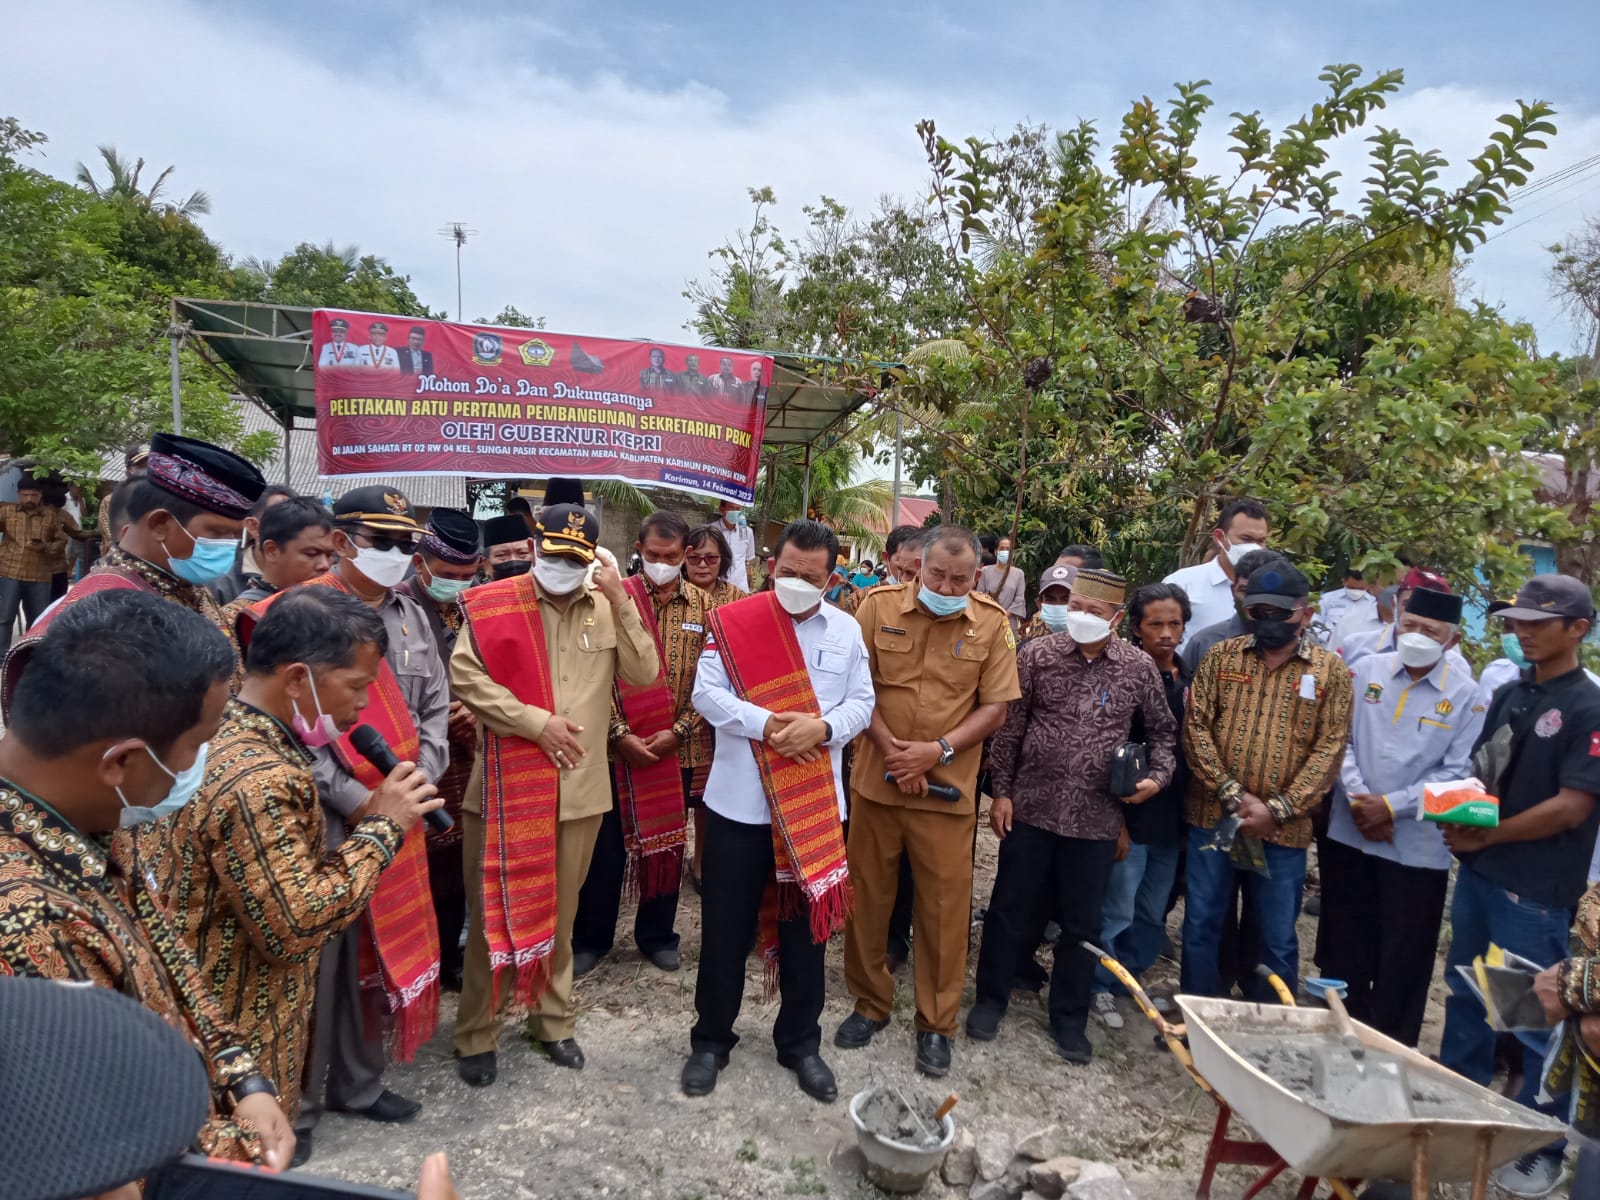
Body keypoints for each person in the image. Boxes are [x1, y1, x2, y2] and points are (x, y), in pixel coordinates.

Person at [0, 591, 294, 1167]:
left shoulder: (93, 819)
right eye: (196, 747)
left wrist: (242, 1078)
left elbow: (168, 958)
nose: (197, 766)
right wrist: (244, 1152)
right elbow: (103, 1131)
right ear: (120, 761)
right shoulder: (29, 921)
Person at [152, 588, 442, 1148]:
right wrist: (384, 826)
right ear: (296, 679)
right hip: (238, 1032)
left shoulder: (224, 733)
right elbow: (299, 924)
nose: (364, 705)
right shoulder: (261, 780)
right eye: (357, 686)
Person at [451, 503, 658, 1088]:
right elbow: (465, 675)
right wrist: (533, 723)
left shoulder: (606, 604)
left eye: (575, 559)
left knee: (560, 916)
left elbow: (644, 674)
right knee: (491, 915)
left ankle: (552, 1021)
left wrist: (620, 596)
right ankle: (477, 1033)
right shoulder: (496, 603)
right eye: (553, 554)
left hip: (578, 790)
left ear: (591, 559)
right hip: (502, 789)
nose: (562, 567)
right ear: (535, 547)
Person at [272, 486, 449, 1144]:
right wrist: (359, 800)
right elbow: (287, 724)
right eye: (384, 542)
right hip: (323, 812)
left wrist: (419, 777)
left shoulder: (412, 613)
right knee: (319, 964)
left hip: (402, 804)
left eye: (406, 543)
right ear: (343, 542)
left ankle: (359, 1082)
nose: (398, 554)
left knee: (374, 956)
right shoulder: (301, 612)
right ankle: (296, 1106)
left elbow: (435, 704)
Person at [681, 520, 874, 1101]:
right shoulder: (734, 622)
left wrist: (823, 728)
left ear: (831, 580)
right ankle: (710, 1042)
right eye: (787, 572)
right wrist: (767, 725)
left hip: (813, 808)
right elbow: (706, 694)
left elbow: (863, 703)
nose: (795, 582)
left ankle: (800, 1045)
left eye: (809, 578)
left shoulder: (846, 629)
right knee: (724, 931)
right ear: (771, 567)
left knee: (805, 936)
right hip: (737, 807)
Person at [968, 570, 1176, 1063]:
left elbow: (1163, 735)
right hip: (1030, 809)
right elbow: (1010, 730)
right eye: (1076, 607)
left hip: (1095, 819)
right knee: (1008, 910)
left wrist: (1156, 779)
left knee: (1082, 924)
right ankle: (990, 1000)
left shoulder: (1137, 668)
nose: (1080, 616)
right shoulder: (1037, 655)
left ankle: (1068, 1018)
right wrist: (1002, 793)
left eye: (1093, 611)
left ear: (1116, 619)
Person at [837, 526, 1021, 1078]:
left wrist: (934, 753)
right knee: (868, 897)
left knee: (944, 910)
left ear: (977, 576)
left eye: (960, 579)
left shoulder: (993, 623)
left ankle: (936, 1024)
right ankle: (870, 1003)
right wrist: (896, 753)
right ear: (919, 566)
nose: (946, 586)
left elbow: (995, 709)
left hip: (947, 791)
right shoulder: (876, 607)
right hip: (878, 780)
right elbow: (856, 688)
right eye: (936, 574)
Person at [1440, 575, 1600, 1198]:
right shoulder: (1511, 692)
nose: (1522, 632)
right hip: (1483, 876)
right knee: (1467, 995)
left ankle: (1542, 1145)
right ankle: (1457, 1110)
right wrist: (1459, 819)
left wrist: (1489, 837)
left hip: (1532, 890)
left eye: (1538, 623)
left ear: (1578, 629)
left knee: (1534, 1017)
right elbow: (1483, 778)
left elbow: (1571, 808)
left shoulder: (1588, 706)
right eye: (1517, 622)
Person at [1319, 587, 1484, 1048]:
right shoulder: (1364, 671)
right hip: (1349, 830)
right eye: (1410, 625)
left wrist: (1390, 806)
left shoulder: (1467, 696)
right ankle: (1339, 1031)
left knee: (1404, 952)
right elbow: (1340, 739)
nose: (1417, 636)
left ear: (1451, 640)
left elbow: (1457, 773)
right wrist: (1360, 799)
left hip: (1415, 846)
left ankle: (1392, 1046)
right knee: (1345, 938)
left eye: (1430, 631)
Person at [1181, 561, 1353, 1001]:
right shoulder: (1221, 657)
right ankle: (1198, 1014)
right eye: (1258, 612)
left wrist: (1276, 810)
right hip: (1213, 817)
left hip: (1283, 830)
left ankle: (1271, 1021)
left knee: (1276, 937)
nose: (1269, 621)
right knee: (1201, 924)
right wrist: (1231, 792)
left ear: (1306, 614)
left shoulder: (1330, 672)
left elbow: (1330, 749)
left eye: (1280, 614)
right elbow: (1196, 727)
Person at [574, 511, 712, 975]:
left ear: (686, 554)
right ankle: (591, 937)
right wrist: (619, 734)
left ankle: (656, 935)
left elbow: (714, 682)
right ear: (638, 549)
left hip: (679, 748)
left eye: (671, 557)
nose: (661, 563)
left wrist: (681, 731)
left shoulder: (706, 608)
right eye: (653, 554)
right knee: (605, 851)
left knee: (667, 844)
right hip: (616, 749)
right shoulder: (609, 599)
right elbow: (592, 676)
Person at [14, 434, 267, 685]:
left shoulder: (183, 583)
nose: (228, 545)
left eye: (236, 535)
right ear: (159, 524)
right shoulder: (97, 623)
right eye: (218, 532)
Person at [1089, 582, 1193, 1027]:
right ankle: (1099, 985)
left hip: (1172, 819)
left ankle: (1128, 978)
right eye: (1156, 624)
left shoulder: (1190, 679)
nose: (1166, 633)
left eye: (1175, 624)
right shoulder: (1123, 678)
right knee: (1117, 909)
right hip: (1131, 817)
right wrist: (1117, 823)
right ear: (1136, 628)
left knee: (1152, 911)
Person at [400, 507, 485, 993]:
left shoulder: (475, 605)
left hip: (467, 753)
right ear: (421, 564)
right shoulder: (396, 607)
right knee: (418, 866)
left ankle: (449, 959)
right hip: (412, 755)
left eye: (468, 575)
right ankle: (415, 964)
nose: (459, 584)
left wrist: (477, 709)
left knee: (455, 861)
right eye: (450, 574)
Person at [1163, 498, 1271, 652]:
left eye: (1260, 541)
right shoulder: (1182, 584)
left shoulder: (1272, 589)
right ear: (1220, 537)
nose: (1253, 547)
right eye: (1246, 539)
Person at [224, 495, 337, 615]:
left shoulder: (337, 607)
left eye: (330, 555)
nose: (325, 565)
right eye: (311, 554)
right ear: (271, 550)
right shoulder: (239, 617)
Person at [1179, 548, 1287, 674]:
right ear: (1232, 590)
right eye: (1245, 591)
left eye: (1263, 592)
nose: (1253, 600)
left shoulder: (1301, 646)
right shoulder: (1204, 643)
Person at [0, 478, 68, 652]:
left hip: (39, 575)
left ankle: (31, 656)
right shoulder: (7, 512)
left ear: (40, 495)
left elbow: (61, 541)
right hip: (10, 571)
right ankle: (1, 657)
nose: (29, 499)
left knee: (38, 619)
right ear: (18, 495)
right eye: (25, 495)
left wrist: (46, 547)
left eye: (33, 495)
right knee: (5, 618)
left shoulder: (50, 516)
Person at [211, 484, 297, 605]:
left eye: (299, 522)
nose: (294, 530)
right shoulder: (220, 583)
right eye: (282, 520)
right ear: (253, 526)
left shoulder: (313, 575)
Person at [685, 521, 745, 607]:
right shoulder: (669, 596)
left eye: (711, 558)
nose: (702, 565)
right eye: (694, 558)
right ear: (683, 560)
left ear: (722, 559)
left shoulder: (737, 598)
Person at [977, 533, 1027, 634]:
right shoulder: (985, 571)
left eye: (1008, 549)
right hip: (988, 622)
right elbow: (979, 595)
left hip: (1009, 624)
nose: (1005, 551)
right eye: (1002, 548)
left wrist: (1004, 615)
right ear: (996, 551)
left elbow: (1019, 600)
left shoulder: (1018, 574)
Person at [1313, 568, 1374, 645]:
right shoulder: (1327, 599)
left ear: (1368, 584)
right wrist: (1329, 637)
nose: (1356, 592)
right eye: (1352, 588)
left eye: (1361, 589)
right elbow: (1313, 627)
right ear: (1343, 581)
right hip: (1328, 649)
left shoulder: (1374, 604)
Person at [1018, 562, 1076, 642]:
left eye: (1066, 600)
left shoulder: (1091, 643)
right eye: (1050, 599)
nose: (1058, 606)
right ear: (1039, 604)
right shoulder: (1033, 644)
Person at [717, 498, 757, 592]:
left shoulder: (747, 532)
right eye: (731, 508)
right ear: (722, 509)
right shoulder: (712, 530)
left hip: (740, 588)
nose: (735, 512)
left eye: (738, 509)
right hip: (717, 587)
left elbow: (747, 560)